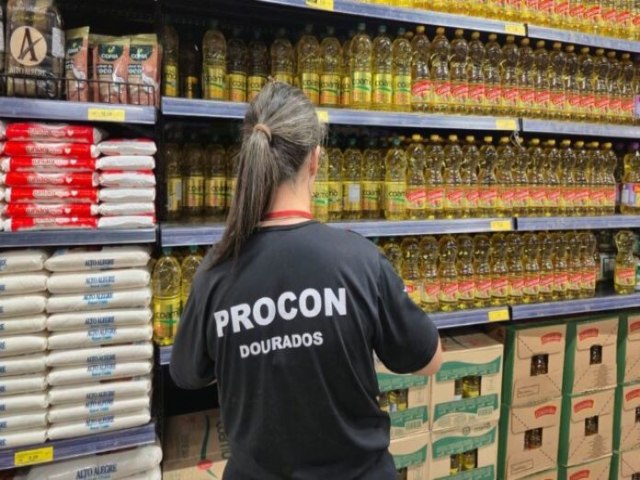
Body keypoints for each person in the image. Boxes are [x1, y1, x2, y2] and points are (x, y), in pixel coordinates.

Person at [170, 81, 442, 479]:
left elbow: (186, 373)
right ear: (315, 160)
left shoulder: (215, 272)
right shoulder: (359, 260)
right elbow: (429, 359)